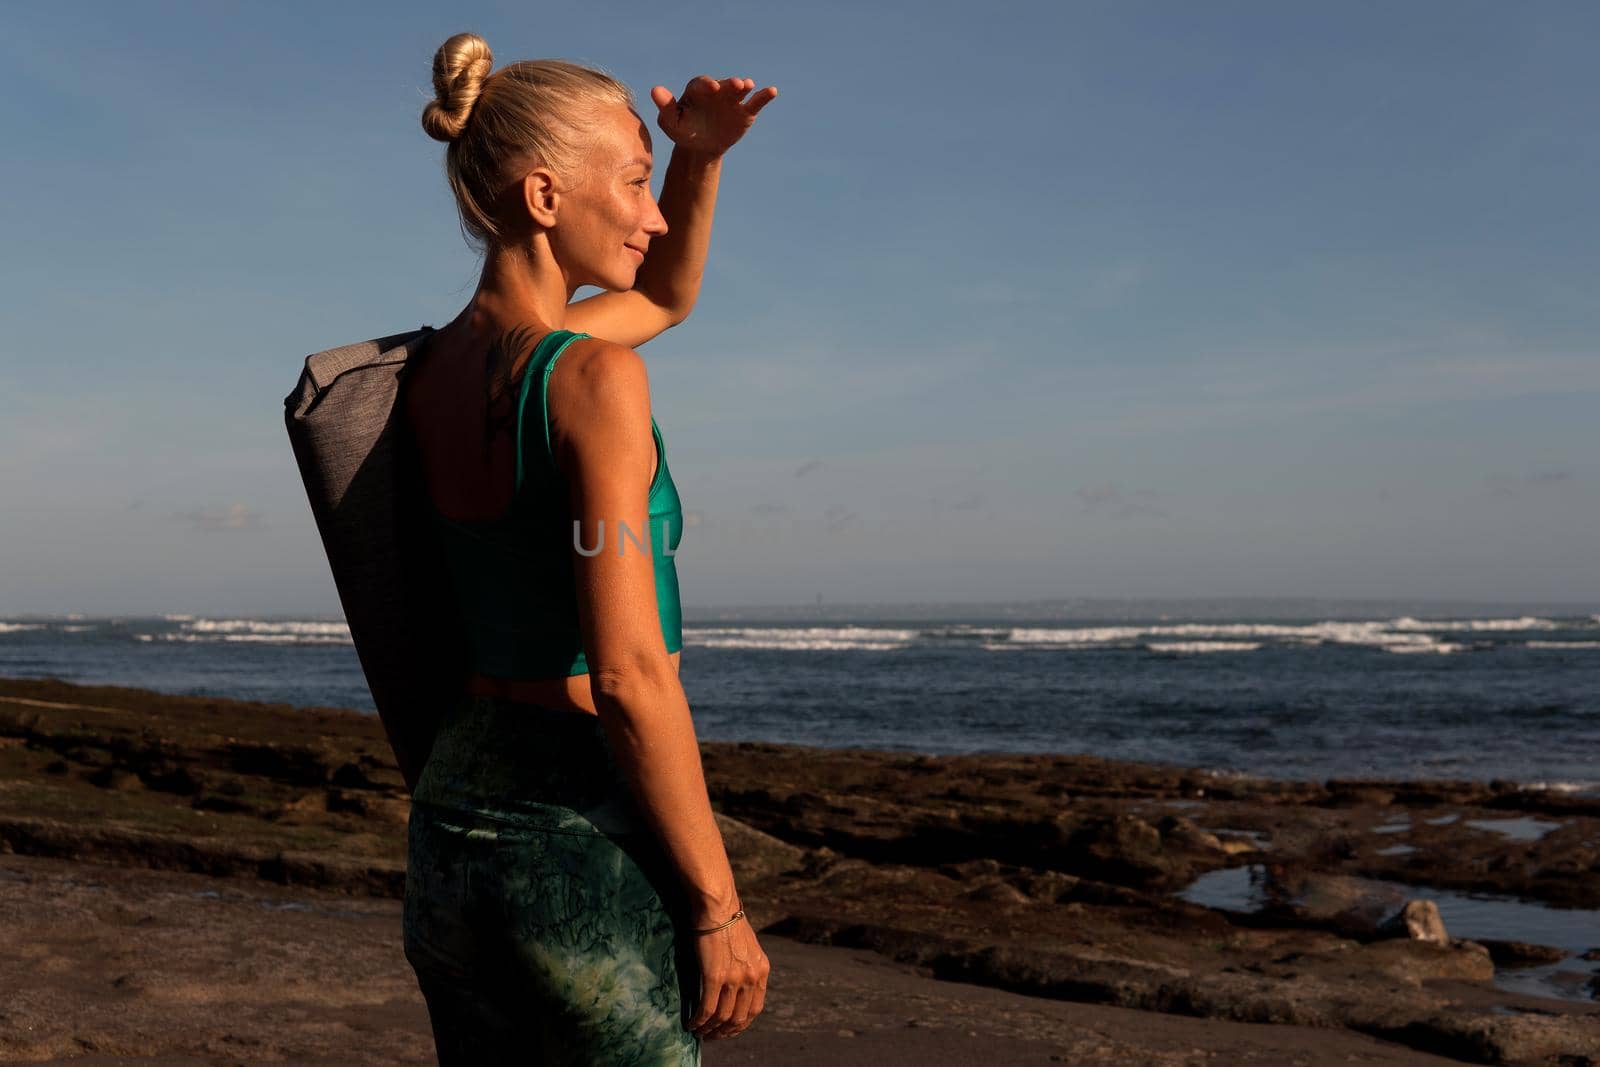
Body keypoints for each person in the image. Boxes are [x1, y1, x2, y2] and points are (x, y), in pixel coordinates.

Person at [395, 32, 776, 1064]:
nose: (654, 214)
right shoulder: (591, 382)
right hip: (571, 837)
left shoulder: (424, 372)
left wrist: (698, 157)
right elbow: (627, 671)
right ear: (546, 196)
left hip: (451, 824)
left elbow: (664, 297)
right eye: (638, 182)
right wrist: (715, 904)